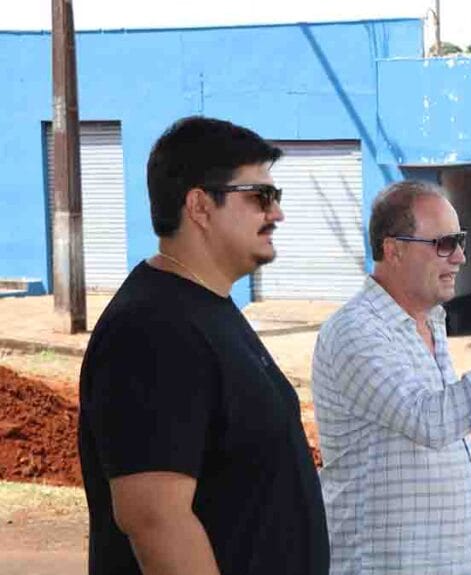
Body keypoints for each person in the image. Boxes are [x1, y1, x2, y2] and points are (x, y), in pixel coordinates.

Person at [77, 116, 329, 575]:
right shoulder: (152, 329)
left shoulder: (207, 307)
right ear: (199, 206)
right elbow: (156, 520)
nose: (276, 213)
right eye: (261, 196)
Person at [311, 180, 471, 574]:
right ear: (394, 249)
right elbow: (430, 420)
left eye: (460, 241)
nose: (461, 257)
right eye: (445, 244)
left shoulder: (429, 322)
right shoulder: (356, 331)